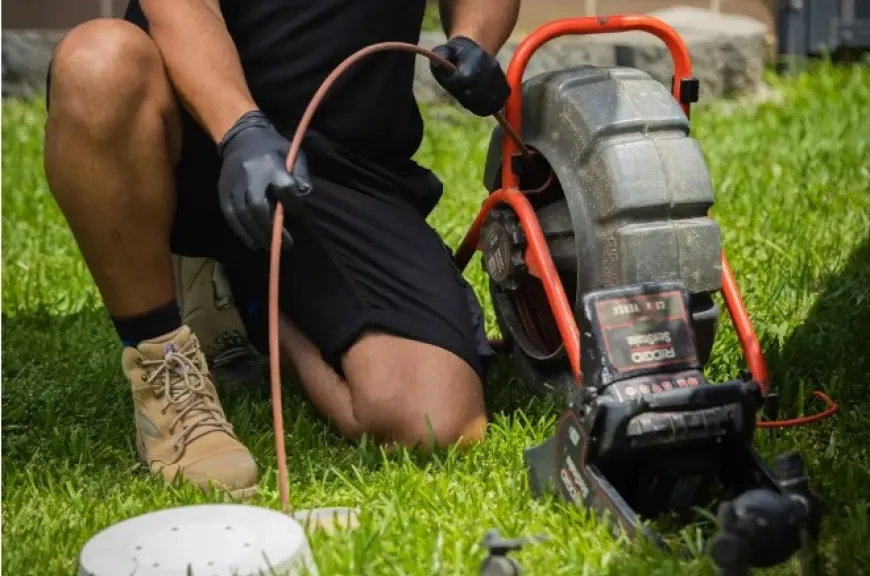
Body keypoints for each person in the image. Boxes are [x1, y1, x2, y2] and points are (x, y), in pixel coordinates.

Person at [42, 0, 520, 499]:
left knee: (432, 424)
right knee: (98, 64)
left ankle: (248, 296)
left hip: (343, 163)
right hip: (190, 127)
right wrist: (241, 127)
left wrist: (472, 38)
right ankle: (163, 361)